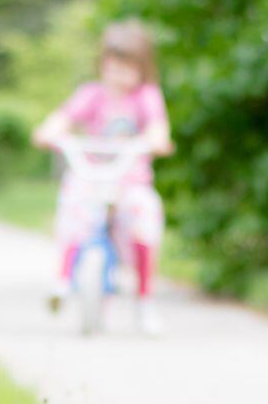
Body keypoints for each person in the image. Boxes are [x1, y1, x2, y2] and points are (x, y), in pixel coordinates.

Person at [32, 20, 174, 335]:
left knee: (144, 218)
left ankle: (145, 299)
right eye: (113, 66)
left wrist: (156, 139)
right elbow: (63, 118)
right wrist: (49, 132)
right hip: (91, 176)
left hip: (129, 179)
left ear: (142, 68)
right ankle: (64, 279)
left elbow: (157, 129)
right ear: (103, 64)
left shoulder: (145, 98)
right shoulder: (92, 94)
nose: (119, 74)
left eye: (128, 67)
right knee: (73, 208)